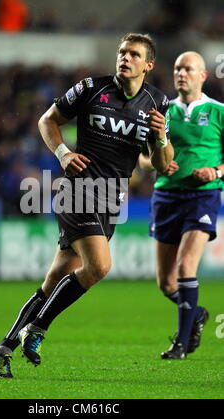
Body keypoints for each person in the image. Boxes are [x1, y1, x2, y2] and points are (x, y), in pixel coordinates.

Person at [0, 33, 174, 378]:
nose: (125, 58)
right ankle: (38, 329)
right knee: (99, 266)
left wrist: (161, 138)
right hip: (79, 189)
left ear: (148, 65)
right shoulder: (91, 88)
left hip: (112, 199)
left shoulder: (157, 102)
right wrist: (63, 153)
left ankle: (3, 348)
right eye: (121, 52)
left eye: (133, 54)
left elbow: (158, 163)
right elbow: (48, 120)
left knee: (56, 278)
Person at [139, 51, 224, 359]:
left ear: (202, 75)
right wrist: (156, 166)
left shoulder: (219, 112)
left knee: (186, 266)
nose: (181, 73)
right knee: (166, 283)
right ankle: (196, 313)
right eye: (177, 68)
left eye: (188, 68)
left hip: (203, 194)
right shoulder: (160, 112)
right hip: (166, 196)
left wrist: (215, 171)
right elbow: (142, 158)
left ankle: (182, 343)